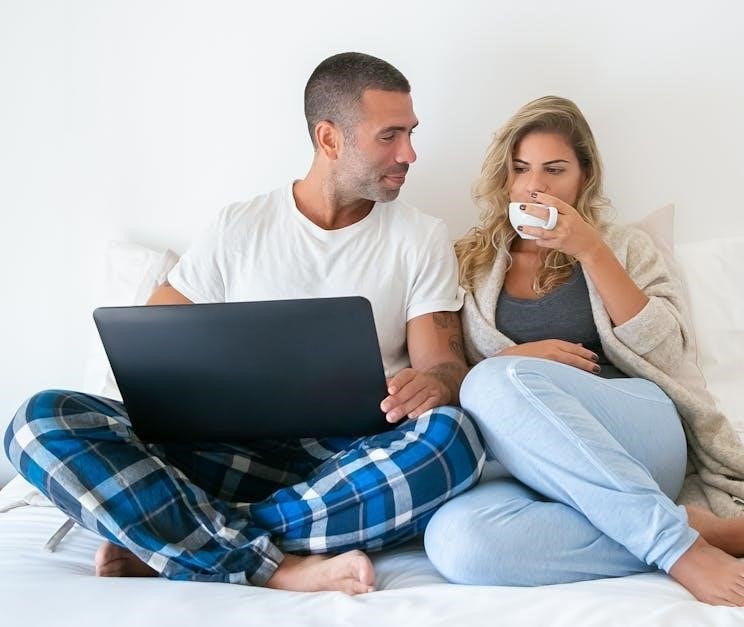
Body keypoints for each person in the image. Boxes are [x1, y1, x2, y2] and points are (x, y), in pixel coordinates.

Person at [4, 52, 485, 595]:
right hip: (222, 453)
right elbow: (150, 343)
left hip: (345, 463)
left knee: (454, 440)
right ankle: (274, 565)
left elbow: (443, 365)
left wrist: (435, 383)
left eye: (411, 133)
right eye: (390, 136)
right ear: (330, 139)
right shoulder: (240, 226)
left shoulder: (420, 236)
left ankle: (182, 539)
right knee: (36, 421)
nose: (409, 153)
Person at [423, 96, 744, 607]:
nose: (535, 185)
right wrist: (517, 359)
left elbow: (667, 353)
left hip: (636, 430)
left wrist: (589, 249)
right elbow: (455, 375)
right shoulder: (469, 261)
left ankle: (677, 548)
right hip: (535, 458)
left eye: (555, 169)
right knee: (456, 542)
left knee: (490, 380)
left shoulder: (624, 246)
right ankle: (688, 527)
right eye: (521, 169)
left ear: (584, 176)